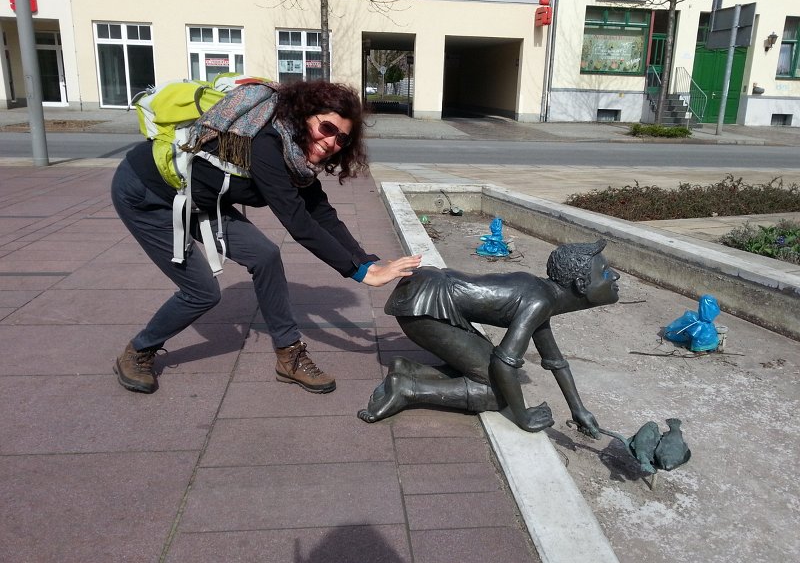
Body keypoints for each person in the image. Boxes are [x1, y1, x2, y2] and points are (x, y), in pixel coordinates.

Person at [111, 80, 421, 395]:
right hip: (146, 193)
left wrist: (367, 262)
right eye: (327, 128)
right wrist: (360, 274)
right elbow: (298, 222)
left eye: (342, 138)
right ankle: (139, 350)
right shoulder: (267, 141)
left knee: (265, 256)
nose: (331, 142)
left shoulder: (294, 156)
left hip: (200, 200)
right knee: (202, 292)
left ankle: (289, 356)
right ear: (305, 116)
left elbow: (322, 214)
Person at [358, 239, 621, 437]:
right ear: (581, 285)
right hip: (425, 305)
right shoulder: (540, 302)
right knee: (496, 393)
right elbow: (503, 363)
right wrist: (523, 416)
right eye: (606, 272)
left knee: (482, 369)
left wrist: (578, 409)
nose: (615, 276)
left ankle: (408, 369)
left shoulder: (543, 295)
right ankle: (407, 389)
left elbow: (554, 360)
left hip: (428, 292)